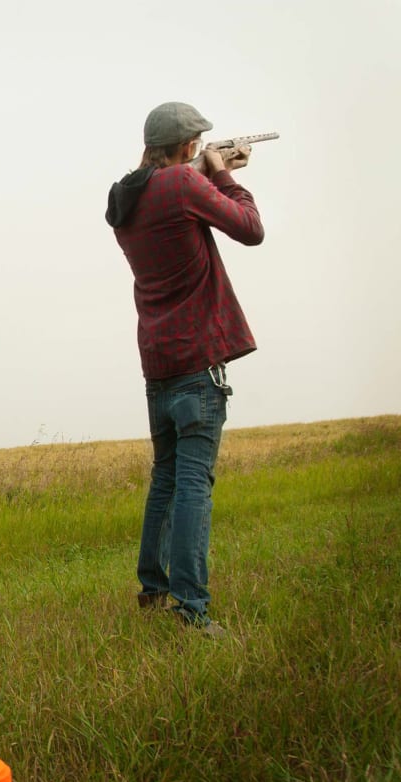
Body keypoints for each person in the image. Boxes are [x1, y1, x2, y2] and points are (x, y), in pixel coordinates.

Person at [105, 102, 265, 636]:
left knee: (167, 477)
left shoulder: (123, 198)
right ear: (189, 146)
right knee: (195, 480)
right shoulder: (183, 185)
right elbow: (250, 229)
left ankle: (152, 587)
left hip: (157, 359)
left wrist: (207, 172)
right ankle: (192, 610)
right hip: (198, 359)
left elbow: (165, 190)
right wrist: (224, 175)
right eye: (199, 144)